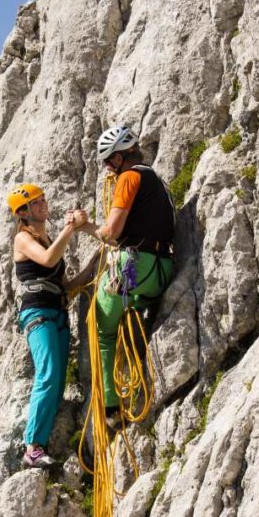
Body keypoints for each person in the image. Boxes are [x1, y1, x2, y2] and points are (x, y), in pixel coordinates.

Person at [75, 126, 176, 418]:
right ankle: (138, 320)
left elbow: (112, 234)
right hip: (162, 269)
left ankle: (110, 407)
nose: (107, 167)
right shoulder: (154, 178)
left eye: (109, 160)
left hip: (137, 267)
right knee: (125, 313)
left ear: (121, 157)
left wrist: (84, 226)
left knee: (98, 326)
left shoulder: (129, 178)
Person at [9, 183, 90, 467]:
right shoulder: (22, 239)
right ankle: (32, 447)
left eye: (43, 199)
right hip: (38, 312)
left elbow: (66, 286)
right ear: (25, 211)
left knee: (57, 382)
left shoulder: (48, 239)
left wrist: (94, 262)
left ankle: (42, 444)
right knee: (48, 373)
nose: (44, 204)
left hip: (57, 310)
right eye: (36, 202)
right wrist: (71, 229)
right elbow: (46, 259)